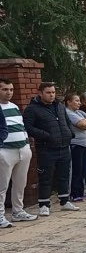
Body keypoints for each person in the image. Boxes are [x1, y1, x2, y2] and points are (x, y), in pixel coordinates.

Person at [22, 82, 80, 215]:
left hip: (64, 146)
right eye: (48, 92)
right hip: (46, 148)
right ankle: (44, 204)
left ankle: (65, 201)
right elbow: (28, 127)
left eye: (53, 92)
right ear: (40, 93)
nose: (52, 95)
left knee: (64, 175)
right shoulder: (32, 109)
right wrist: (45, 135)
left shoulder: (59, 106)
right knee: (45, 176)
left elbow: (67, 121)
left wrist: (70, 133)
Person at [0, 78, 37, 226]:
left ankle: (18, 211)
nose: (9, 92)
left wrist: (26, 144)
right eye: (4, 89)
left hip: (22, 149)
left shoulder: (14, 106)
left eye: (11, 89)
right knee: (2, 185)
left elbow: (20, 126)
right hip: (5, 150)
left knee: (20, 183)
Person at [64, 92, 86, 202]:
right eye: (76, 101)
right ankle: (74, 193)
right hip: (76, 144)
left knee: (82, 169)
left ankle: (80, 191)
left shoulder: (78, 112)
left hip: (84, 144)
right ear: (68, 102)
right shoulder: (68, 112)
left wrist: (85, 121)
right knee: (76, 169)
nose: (79, 103)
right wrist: (85, 122)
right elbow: (83, 125)